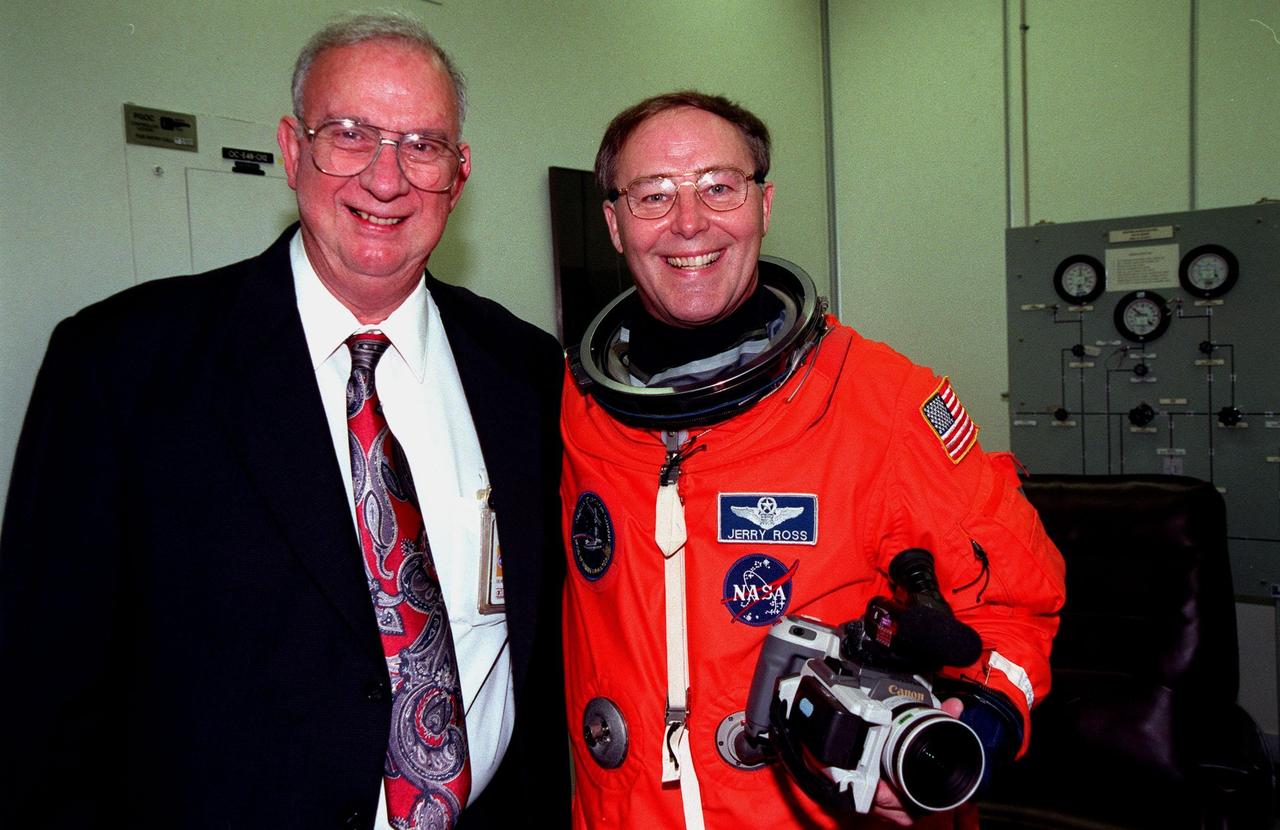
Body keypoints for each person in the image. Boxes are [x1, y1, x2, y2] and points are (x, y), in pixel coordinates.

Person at [0, 11, 567, 829]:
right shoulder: (123, 367)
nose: (385, 177)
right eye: (350, 134)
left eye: (422, 144)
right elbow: (40, 692)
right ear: (292, 150)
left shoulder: (524, 372)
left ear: (459, 171)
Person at [560, 90, 1065, 829]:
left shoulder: (883, 403)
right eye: (653, 195)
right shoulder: (573, 406)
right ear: (613, 222)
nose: (689, 222)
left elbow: (1019, 604)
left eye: (719, 187)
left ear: (764, 205)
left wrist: (975, 728)